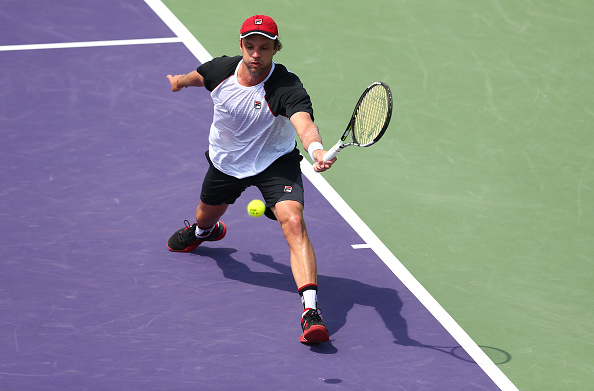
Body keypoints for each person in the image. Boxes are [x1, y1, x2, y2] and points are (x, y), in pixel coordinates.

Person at [165, 15, 335, 344]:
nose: (256, 54)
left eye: (265, 47)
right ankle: (204, 232)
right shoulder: (220, 71)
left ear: (275, 49)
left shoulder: (285, 86)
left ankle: (311, 312)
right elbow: (197, 77)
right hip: (227, 163)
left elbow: (303, 122)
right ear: (241, 45)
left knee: (294, 221)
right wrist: (179, 82)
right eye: (250, 46)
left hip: (275, 162)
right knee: (205, 216)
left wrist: (315, 148)